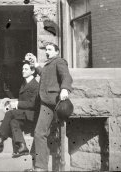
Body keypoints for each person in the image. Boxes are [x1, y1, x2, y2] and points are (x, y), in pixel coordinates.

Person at [25, 43, 73, 171]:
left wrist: (65, 89)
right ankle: (41, 167)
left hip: (53, 103)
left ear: (57, 51)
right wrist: (35, 64)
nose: (47, 52)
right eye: (46, 50)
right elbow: (44, 74)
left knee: (40, 133)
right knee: (41, 133)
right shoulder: (49, 64)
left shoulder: (59, 61)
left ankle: (40, 167)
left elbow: (66, 76)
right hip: (45, 103)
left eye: (50, 50)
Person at [0, 59, 39, 158]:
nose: (23, 71)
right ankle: (22, 147)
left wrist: (16, 104)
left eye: (26, 69)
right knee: (13, 122)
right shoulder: (24, 83)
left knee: (9, 114)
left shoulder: (36, 85)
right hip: (23, 115)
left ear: (32, 71)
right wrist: (11, 104)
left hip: (31, 116)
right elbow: (22, 100)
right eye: (23, 69)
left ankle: (1, 140)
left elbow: (32, 104)